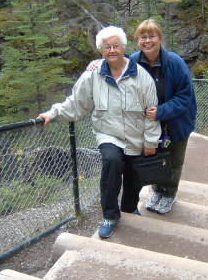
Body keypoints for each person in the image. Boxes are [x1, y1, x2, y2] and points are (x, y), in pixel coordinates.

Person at [37, 26, 161, 239]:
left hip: (136, 136)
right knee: (111, 164)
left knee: (133, 177)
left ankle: (129, 208)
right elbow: (76, 103)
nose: (112, 50)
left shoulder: (141, 76)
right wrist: (53, 113)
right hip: (108, 134)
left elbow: (151, 112)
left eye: (115, 46)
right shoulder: (92, 75)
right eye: (107, 47)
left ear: (123, 47)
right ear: (101, 50)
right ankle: (110, 216)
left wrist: (150, 141)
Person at [87, 19, 197, 214]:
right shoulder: (136, 60)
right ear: (137, 40)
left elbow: (185, 96)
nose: (147, 41)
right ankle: (157, 190)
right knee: (154, 158)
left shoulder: (175, 62)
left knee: (174, 159)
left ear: (159, 38)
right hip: (148, 121)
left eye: (151, 36)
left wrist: (161, 111)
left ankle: (169, 194)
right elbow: (117, 60)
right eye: (143, 37)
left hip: (175, 120)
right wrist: (99, 62)